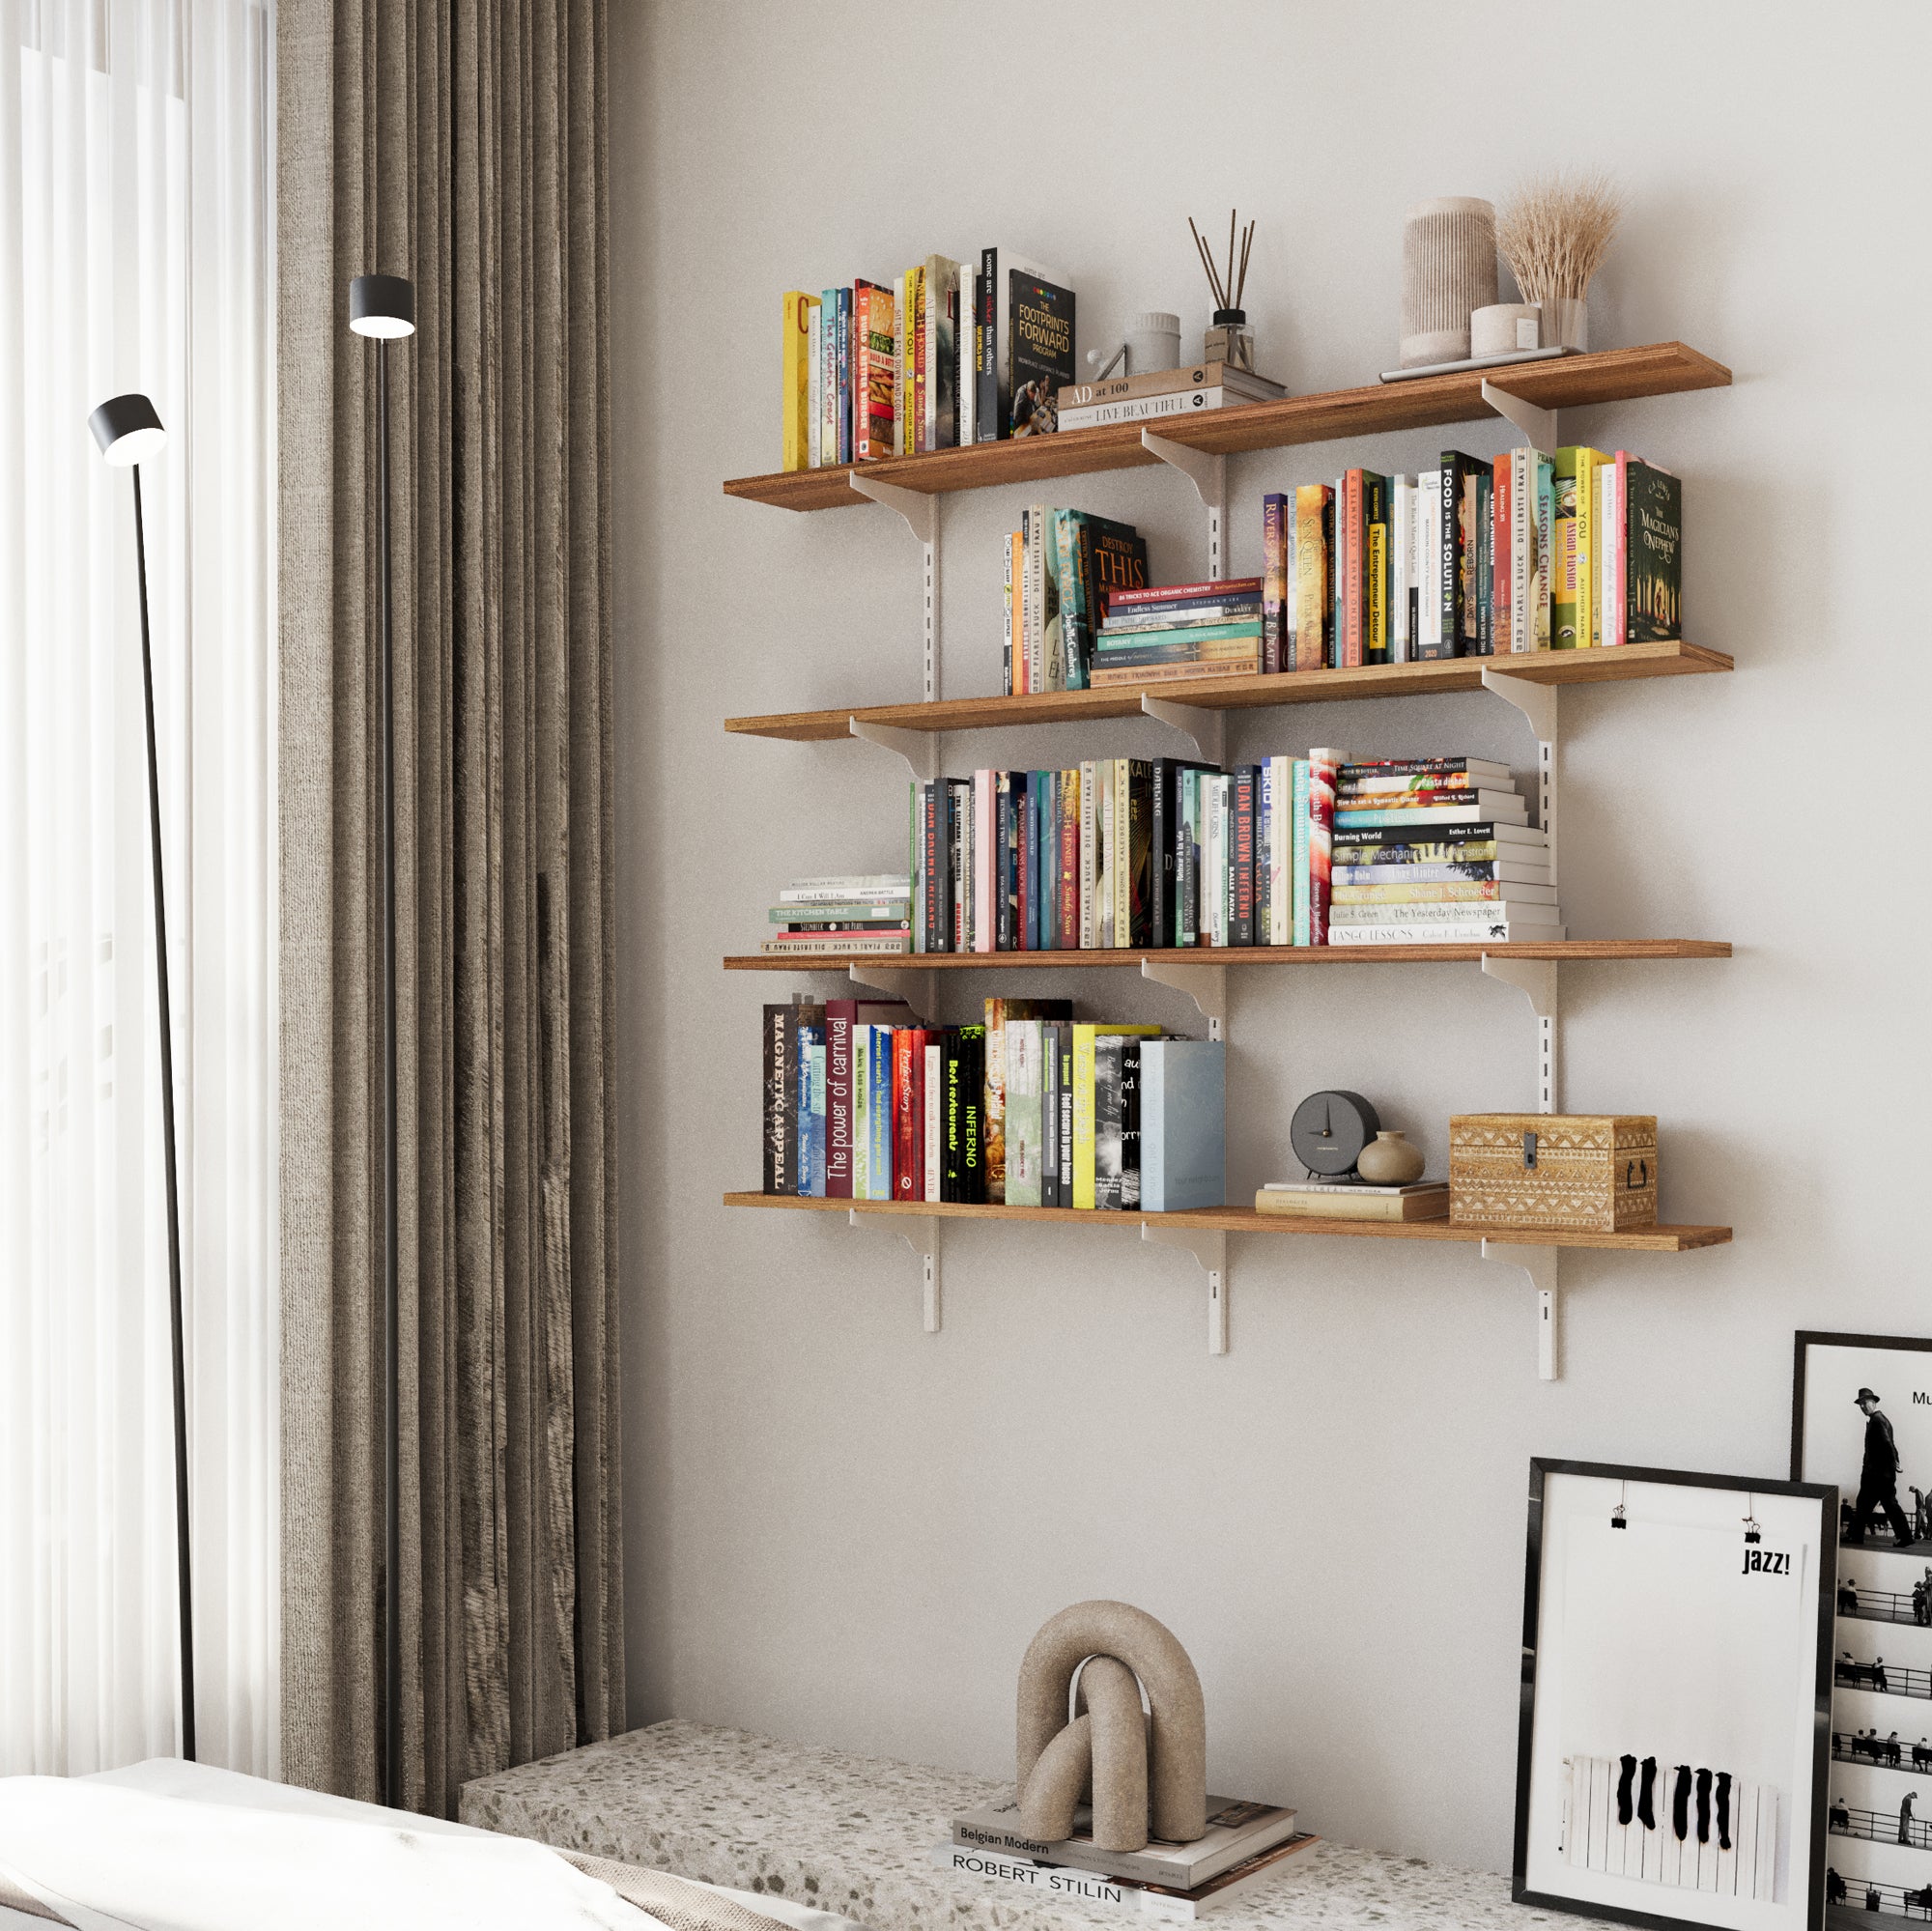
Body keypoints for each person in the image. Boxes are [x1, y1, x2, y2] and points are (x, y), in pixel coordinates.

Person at [1851, 1387, 1917, 1549]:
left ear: (1873, 1402)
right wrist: (1896, 1462)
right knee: (1870, 1503)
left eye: (1865, 1403)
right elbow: (1891, 1444)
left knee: (1876, 1503)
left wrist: (1894, 1463)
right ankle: (1856, 1535)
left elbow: (1887, 1444)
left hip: (1877, 1474)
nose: (1862, 1407)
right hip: (1881, 1473)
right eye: (1860, 1404)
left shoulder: (1877, 1421)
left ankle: (1857, 1535)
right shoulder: (1880, 1419)